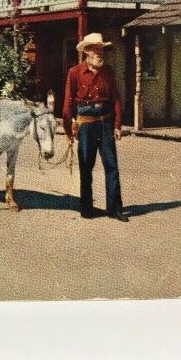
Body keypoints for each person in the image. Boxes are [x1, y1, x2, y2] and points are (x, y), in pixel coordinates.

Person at [62, 33, 129, 222]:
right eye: (97, 51)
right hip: (85, 126)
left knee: (112, 166)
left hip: (106, 124)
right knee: (86, 167)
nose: (101, 54)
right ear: (87, 52)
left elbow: (116, 98)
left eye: (102, 50)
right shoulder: (74, 73)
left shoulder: (108, 71)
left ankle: (114, 209)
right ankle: (87, 209)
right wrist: (68, 129)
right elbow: (68, 104)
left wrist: (117, 125)